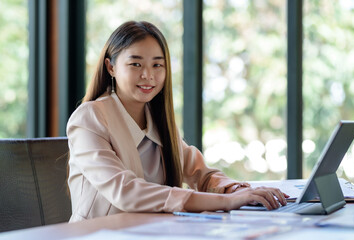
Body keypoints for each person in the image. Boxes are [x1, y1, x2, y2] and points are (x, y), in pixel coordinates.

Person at [66, 20, 288, 222]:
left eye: (157, 65)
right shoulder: (90, 118)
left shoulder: (156, 119)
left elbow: (201, 173)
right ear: (111, 67)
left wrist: (236, 190)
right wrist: (226, 202)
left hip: (153, 232)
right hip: (99, 234)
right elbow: (125, 192)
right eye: (136, 64)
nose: (148, 75)